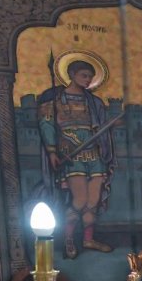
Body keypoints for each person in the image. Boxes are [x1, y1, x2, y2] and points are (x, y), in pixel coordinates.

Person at [37, 58, 116, 259]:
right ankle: (69, 239)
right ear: (71, 74)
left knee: (93, 201)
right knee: (79, 200)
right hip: (72, 154)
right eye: (84, 75)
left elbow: (102, 127)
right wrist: (52, 152)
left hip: (94, 154)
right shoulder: (55, 100)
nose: (88, 80)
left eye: (90, 77)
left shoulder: (94, 103)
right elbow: (47, 126)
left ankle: (88, 239)